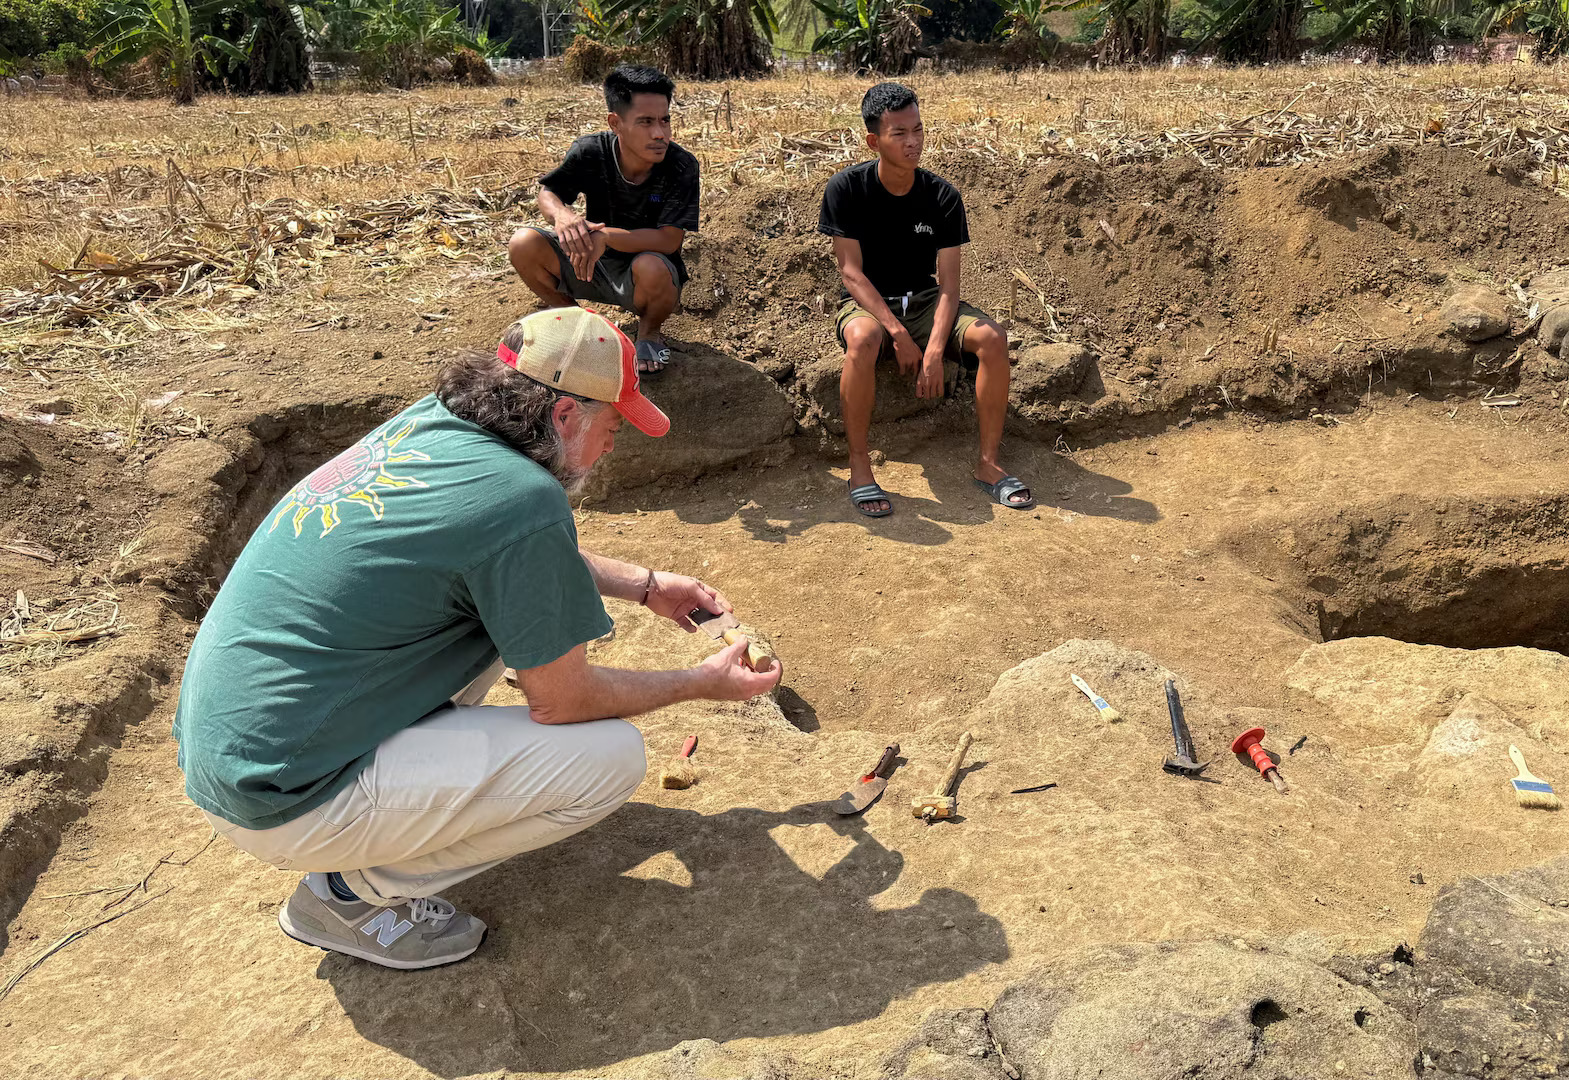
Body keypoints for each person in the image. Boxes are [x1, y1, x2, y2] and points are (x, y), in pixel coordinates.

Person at [174, 308, 781, 970]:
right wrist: (700, 683)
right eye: (613, 426)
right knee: (609, 759)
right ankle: (348, 894)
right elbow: (563, 701)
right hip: (281, 796)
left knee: (492, 624)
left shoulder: (431, 426)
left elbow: (501, 554)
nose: (613, 445)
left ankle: (376, 822)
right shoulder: (523, 499)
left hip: (235, 746)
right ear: (567, 418)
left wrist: (644, 584)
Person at [817, 82, 1035, 519]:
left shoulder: (942, 196)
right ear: (873, 140)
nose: (913, 141)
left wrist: (934, 350)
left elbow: (950, 287)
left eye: (918, 129)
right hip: (867, 301)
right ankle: (859, 468)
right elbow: (851, 273)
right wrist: (897, 334)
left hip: (924, 300)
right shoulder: (846, 189)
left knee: (992, 338)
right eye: (899, 133)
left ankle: (989, 465)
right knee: (861, 338)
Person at [508, 64, 699, 375]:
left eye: (665, 120)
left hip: (644, 273)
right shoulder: (590, 152)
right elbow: (549, 192)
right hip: (588, 262)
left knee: (651, 265)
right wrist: (563, 215)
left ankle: (649, 332)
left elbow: (669, 240)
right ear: (616, 122)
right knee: (523, 243)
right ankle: (573, 321)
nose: (659, 133)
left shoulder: (681, 166)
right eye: (646, 122)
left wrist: (606, 236)